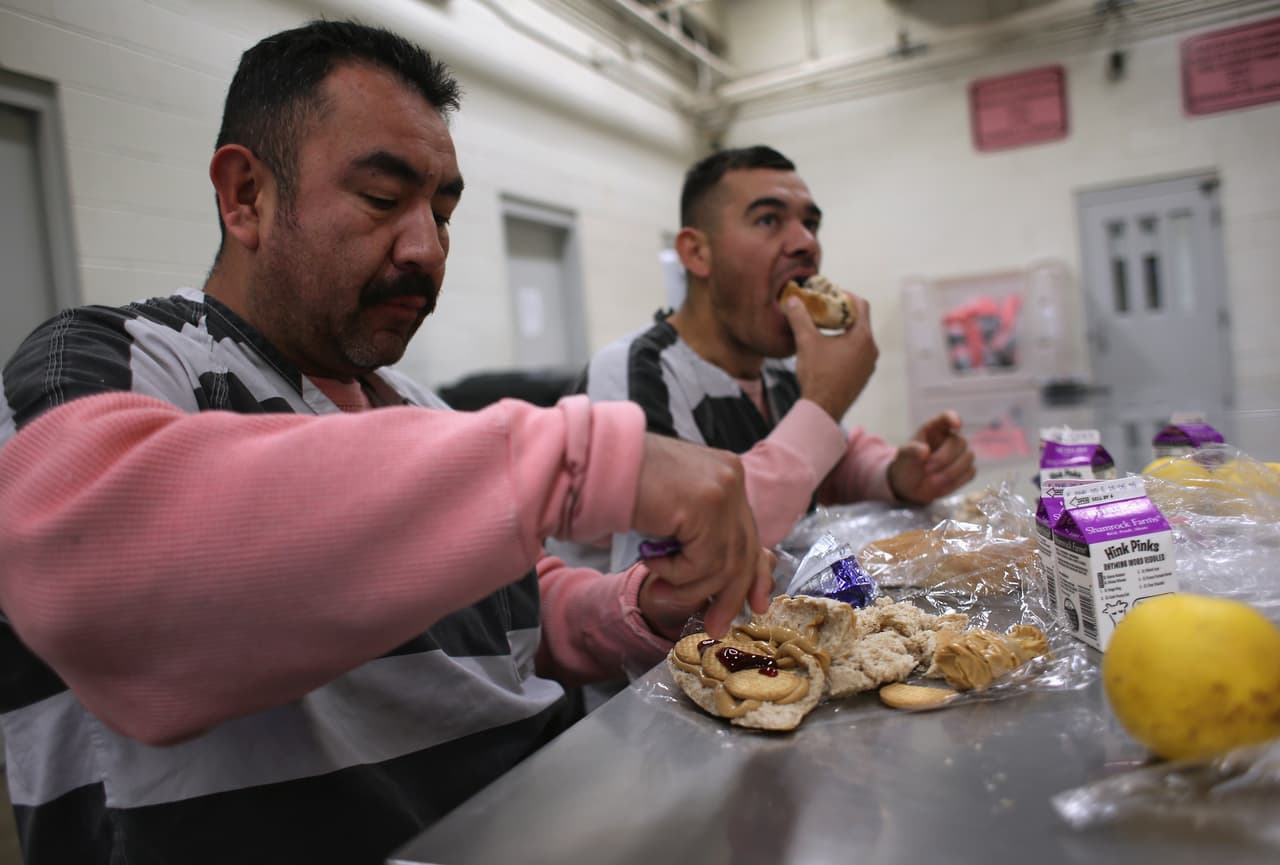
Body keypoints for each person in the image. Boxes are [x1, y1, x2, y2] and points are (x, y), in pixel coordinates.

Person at [0, 22, 775, 865]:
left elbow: (516, 606)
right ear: (246, 195)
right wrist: (585, 458)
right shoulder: (116, 358)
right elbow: (104, 574)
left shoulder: (409, 403)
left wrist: (632, 607)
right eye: (381, 200)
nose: (426, 248)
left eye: (443, 212)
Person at [578, 146, 977, 572]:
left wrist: (897, 474)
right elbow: (684, 555)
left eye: (811, 223)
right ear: (697, 253)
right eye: (768, 220)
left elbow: (835, 459)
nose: (807, 242)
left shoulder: (778, 366)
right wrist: (822, 405)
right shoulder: (635, 371)